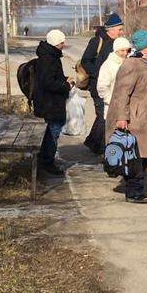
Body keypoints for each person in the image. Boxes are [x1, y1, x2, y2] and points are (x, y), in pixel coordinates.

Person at [107, 29, 147, 204]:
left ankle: (132, 186)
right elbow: (121, 93)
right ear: (143, 47)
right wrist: (121, 117)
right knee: (136, 158)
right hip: (135, 120)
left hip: (145, 119)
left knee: (143, 157)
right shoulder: (131, 65)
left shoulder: (143, 62)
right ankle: (134, 192)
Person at [32, 29, 74, 176]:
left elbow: (52, 77)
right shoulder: (49, 58)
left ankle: (45, 158)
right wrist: (65, 85)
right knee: (53, 132)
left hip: (50, 101)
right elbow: (48, 82)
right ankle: (47, 162)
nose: (64, 44)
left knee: (52, 130)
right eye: (62, 42)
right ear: (56, 43)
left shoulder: (49, 55)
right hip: (50, 103)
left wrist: (64, 79)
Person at [81, 13, 124, 152]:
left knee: (103, 116)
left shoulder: (119, 43)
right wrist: (98, 74)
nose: (121, 32)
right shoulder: (97, 41)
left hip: (114, 87)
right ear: (110, 29)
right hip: (98, 86)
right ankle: (98, 147)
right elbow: (85, 61)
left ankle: (92, 142)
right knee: (103, 116)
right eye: (119, 29)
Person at [96, 36, 132, 109]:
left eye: (127, 50)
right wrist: (112, 101)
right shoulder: (108, 65)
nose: (125, 53)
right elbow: (102, 87)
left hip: (127, 107)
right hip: (113, 108)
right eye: (122, 50)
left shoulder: (129, 63)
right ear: (116, 50)